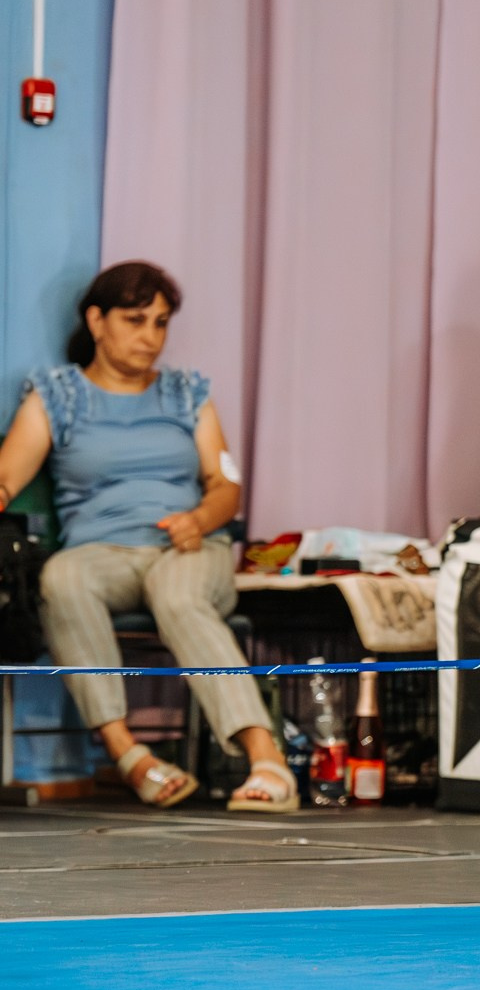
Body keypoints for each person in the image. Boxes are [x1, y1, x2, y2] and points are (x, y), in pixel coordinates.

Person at [0, 261, 295, 811]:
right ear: (96, 320)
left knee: (177, 596)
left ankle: (267, 760)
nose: (150, 337)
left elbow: (225, 485)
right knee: (61, 577)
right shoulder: (56, 395)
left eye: (160, 323)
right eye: (135, 321)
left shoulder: (187, 393)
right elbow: (7, 477)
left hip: (187, 550)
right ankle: (130, 756)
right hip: (99, 555)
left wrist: (202, 520)